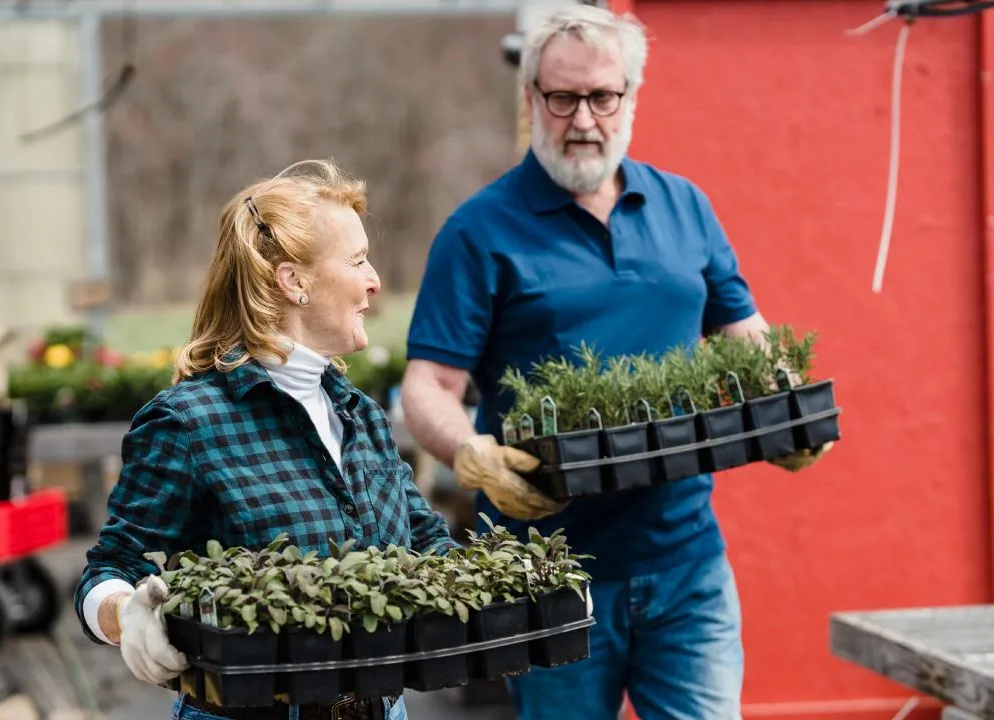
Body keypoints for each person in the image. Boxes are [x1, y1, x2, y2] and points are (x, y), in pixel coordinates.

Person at [400, 6, 832, 720]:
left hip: (685, 561)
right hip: (547, 577)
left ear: (631, 96)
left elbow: (743, 338)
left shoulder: (684, 207)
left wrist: (784, 412)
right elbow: (429, 386)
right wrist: (473, 454)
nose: (583, 118)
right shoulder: (479, 231)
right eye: (562, 97)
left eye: (603, 96)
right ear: (533, 99)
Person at [73, 159, 457, 720]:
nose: (375, 280)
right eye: (357, 261)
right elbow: (108, 568)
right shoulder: (190, 422)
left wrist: (539, 591)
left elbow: (431, 550)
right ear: (294, 281)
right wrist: (126, 612)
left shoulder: (360, 416)